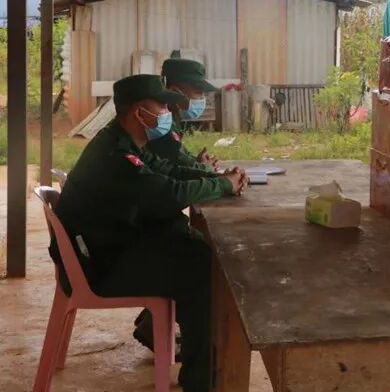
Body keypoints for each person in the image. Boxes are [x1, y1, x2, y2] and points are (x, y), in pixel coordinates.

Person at [54, 75, 248, 392]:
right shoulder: (116, 155)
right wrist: (223, 185)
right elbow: (167, 194)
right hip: (100, 269)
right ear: (139, 112)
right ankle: (200, 382)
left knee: (192, 246)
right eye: (162, 106)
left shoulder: (125, 141)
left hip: (108, 248)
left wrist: (218, 178)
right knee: (202, 267)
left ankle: (194, 358)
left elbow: (167, 170)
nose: (167, 112)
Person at [147, 57, 221, 173]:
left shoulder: (173, 117)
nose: (202, 99)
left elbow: (177, 157)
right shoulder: (159, 122)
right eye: (198, 92)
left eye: (203, 94)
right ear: (174, 91)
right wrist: (205, 168)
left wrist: (197, 162)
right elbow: (175, 162)